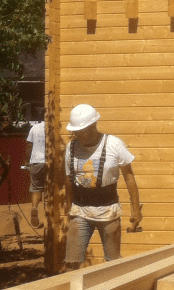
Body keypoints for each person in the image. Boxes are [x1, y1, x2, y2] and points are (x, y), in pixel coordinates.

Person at [64, 104, 142, 267]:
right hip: (80, 210)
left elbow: (129, 178)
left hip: (108, 211)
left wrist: (135, 210)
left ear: (93, 126)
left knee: (113, 264)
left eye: (80, 130)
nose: (76, 134)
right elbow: (68, 181)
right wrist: (68, 209)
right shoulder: (71, 148)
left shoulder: (114, 144)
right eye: (75, 130)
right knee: (71, 263)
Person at [25, 113, 47, 229]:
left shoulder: (34, 128)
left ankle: (34, 208)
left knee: (36, 188)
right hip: (50, 162)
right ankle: (49, 216)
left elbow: (29, 146)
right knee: (50, 189)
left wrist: (26, 161)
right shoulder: (53, 127)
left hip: (36, 162)